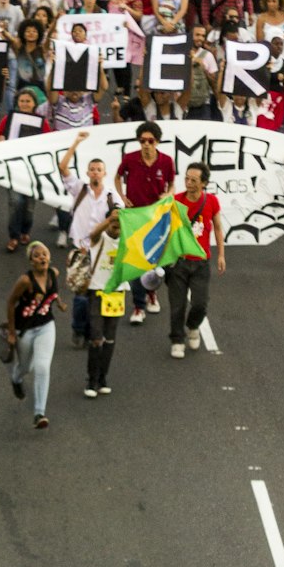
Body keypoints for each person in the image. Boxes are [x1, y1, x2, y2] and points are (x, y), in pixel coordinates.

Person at [58, 128, 121, 348]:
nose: (95, 173)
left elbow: (118, 221)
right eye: (92, 169)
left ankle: (93, 332)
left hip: (102, 251)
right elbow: (63, 167)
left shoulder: (111, 196)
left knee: (99, 293)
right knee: (81, 294)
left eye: (99, 170)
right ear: (87, 172)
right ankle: (78, 329)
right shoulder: (79, 189)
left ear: (104, 173)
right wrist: (75, 143)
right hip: (82, 249)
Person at [115, 120, 176, 322]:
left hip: (157, 219)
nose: (146, 145)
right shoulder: (130, 159)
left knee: (155, 261)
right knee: (136, 261)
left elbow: (172, 184)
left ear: (157, 142)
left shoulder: (166, 161)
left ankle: (151, 293)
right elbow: (117, 177)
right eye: (142, 141)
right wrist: (122, 197)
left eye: (150, 141)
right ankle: (138, 307)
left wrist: (167, 195)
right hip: (134, 217)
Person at [165, 161, 225, 358]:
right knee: (177, 304)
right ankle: (176, 339)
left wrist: (221, 255)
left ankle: (192, 326)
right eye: (187, 179)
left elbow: (217, 227)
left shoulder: (212, 202)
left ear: (204, 183)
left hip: (201, 262)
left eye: (194, 180)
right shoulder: (176, 201)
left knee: (201, 303)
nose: (189, 183)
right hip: (179, 262)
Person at [5, 240, 64, 429]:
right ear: (31, 261)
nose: (42, 257)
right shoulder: (25, 281)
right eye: (37, 255)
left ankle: (39, 413)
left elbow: (54, 292)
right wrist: (12, 332)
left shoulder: (54, 274)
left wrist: (59, 303)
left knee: (42, 366)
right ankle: (16, 378)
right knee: (25, 366)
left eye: (45, 254)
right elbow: (10, 303)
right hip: (25, 329)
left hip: (46, 326)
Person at [84, 210, 124, 396]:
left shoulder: (126, 241)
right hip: (97, 292)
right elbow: (92, 234)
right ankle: (91, 381)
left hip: (117, 293)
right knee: (96, 338)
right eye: (113, 222)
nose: (116, 225)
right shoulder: (99, 239)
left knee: (110, 339)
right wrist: (109, 219)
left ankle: (102, 377)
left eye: (119, 222)